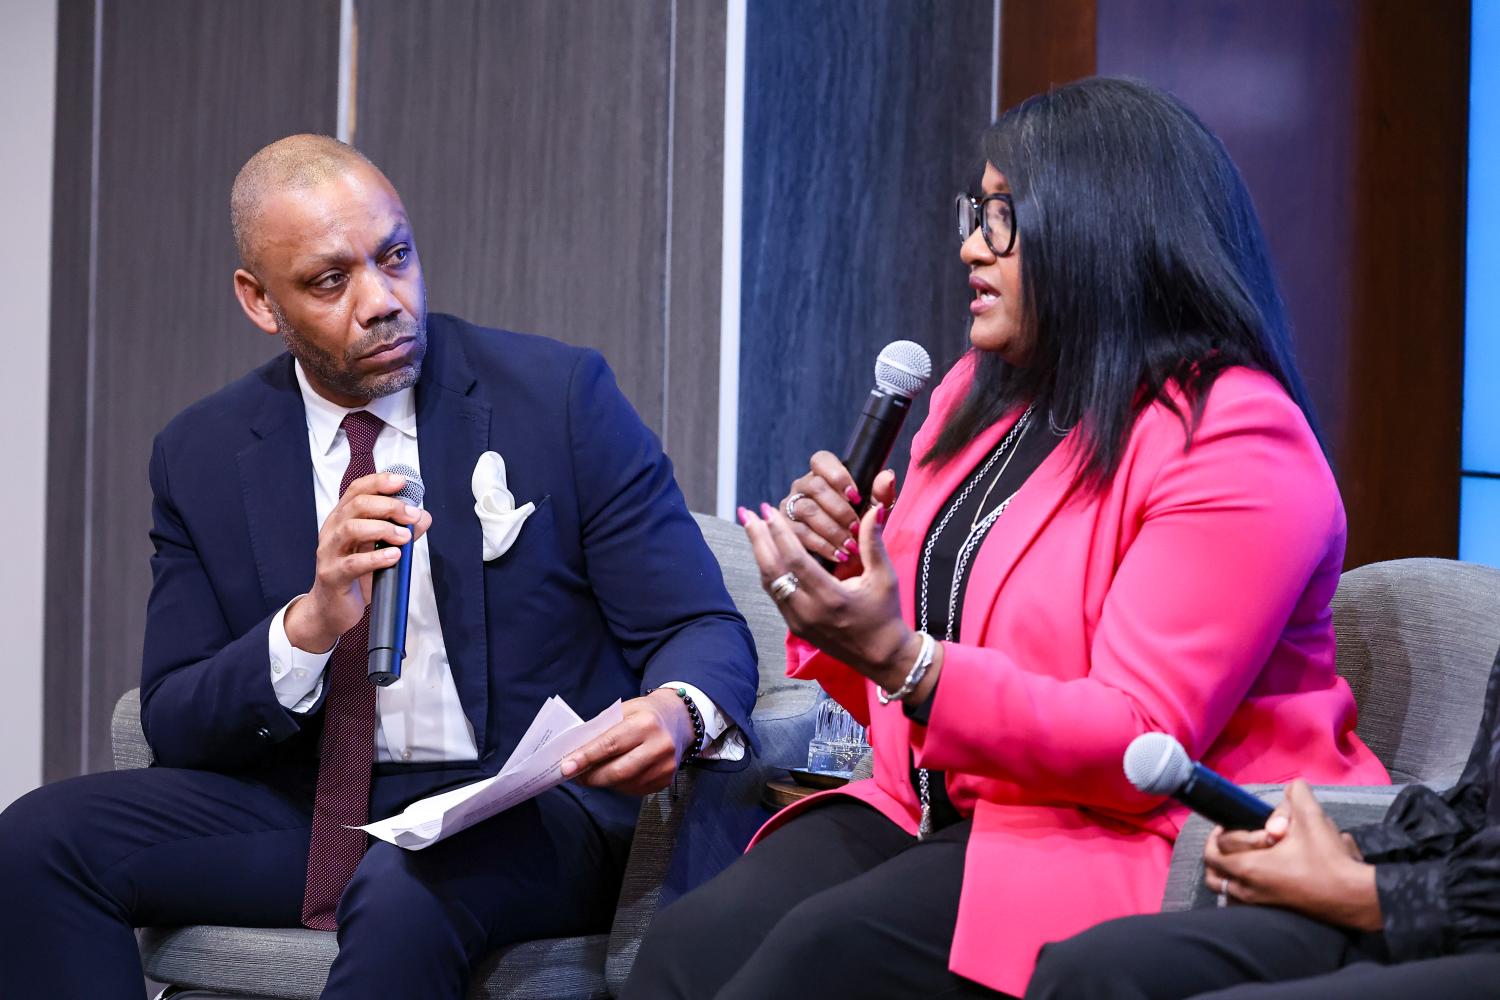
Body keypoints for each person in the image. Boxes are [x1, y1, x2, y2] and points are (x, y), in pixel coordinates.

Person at [621, 76, 1389, 1000]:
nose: (967, 247)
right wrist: (841, 575)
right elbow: (914, 649)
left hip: (1129, 834)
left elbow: (1139, 740)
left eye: (1001, 219)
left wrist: (908, 662)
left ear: (1101, 226)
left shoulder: (1232, 437)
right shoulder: (979, 400)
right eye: (975, 213)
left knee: (808, 966)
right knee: (682, 954)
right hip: (947, 806)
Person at [0, 134, 760, 998]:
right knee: (36, 845)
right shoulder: (200, 453)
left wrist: (675, 711)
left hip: (520, 810)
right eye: (330, 282)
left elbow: (698, 624)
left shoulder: (557, 397)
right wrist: (308, 627)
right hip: (313, 808)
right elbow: (173, 717)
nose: (382, 301)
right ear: (260, 301)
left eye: (395, 256)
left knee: (403, 887)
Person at [1025, 645, 1500, 999]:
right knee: (1089, 971)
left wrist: (1363, 892)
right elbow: (1477, 808)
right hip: (1450, 903)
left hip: (1463, 926)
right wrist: (1344, 853)